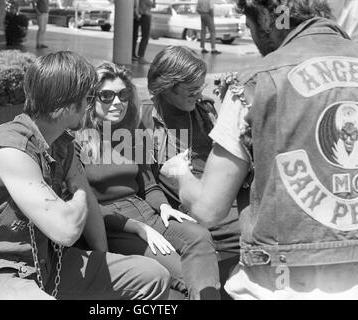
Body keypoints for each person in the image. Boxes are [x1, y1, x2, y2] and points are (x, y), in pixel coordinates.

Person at [160, 0, 358, 299]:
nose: (253, 40)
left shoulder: (254, 83)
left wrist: (178, 174)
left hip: (282, 281)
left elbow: (208, 209)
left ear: (267, 16)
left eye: (250, 27)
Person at [0, 51, 170, 300]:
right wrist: (79, 186)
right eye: (88, 97)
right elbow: (66, 230)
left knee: (153, 276)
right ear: (64, 105)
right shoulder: (10, 150)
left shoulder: (61, 142)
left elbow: (89, 212)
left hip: (49, 265)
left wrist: (103, 262)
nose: (90, 105)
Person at [76, 62, 221, 300]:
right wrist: (137, 227)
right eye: (107, 95)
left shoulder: (133, 133)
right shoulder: (78, 140)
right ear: (92, 100)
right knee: (185, 277)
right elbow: (84, 205)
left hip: (145, 211)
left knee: (200, 236)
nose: (117, 102)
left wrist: (164, 206)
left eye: (123, 95)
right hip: (112, 224)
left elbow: (148, 183)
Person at [144, 45, 242, 297]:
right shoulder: (145, 118)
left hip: (218, 199)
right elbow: (141, 179)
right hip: (189, 210)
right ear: (167, 85)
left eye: (200, 87)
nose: (198, 94)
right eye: (191, 89)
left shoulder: (205, 111)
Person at [132, 0, 155, 64]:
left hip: (141, 15)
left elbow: (154, 5)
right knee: (145, 37)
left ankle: (134, 55)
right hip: (145, 16)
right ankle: (141, 57)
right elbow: (153, 5)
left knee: (136, 37)